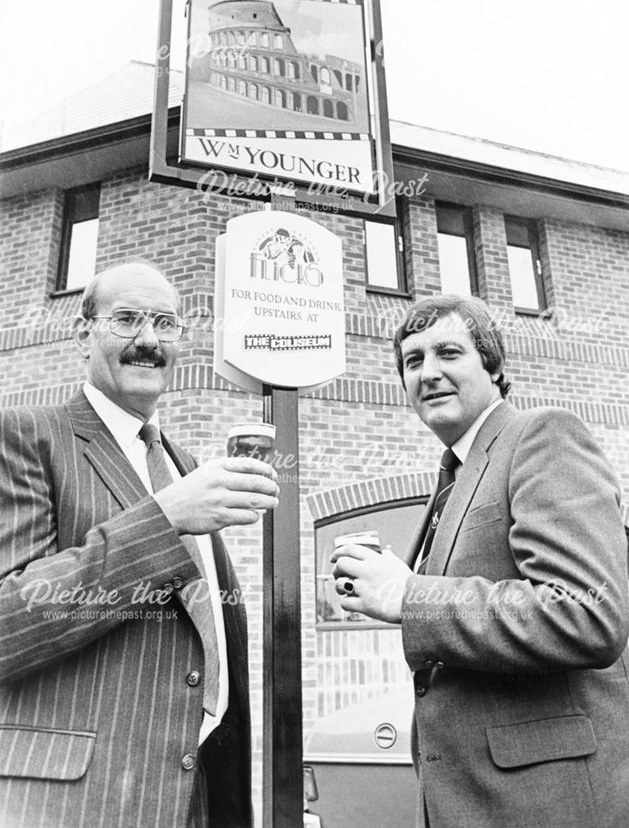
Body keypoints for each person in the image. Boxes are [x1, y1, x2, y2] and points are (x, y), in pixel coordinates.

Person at [332, 294, 629, 828]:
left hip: (548, 803)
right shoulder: (453, 475)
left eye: (448, 352)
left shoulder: (543, 435)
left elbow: (586, 614)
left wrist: (408, 596)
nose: (429, 373)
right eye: (413, 360)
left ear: (493, 366)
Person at [0, 262, 280, 828]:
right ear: (83, 333)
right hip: (78, 802)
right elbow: (8, 621)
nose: (148, 340)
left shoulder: (184, 465)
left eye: (165, 324)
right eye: (126, 319)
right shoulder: (25, 434)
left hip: (196, 797)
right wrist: (164, 518)